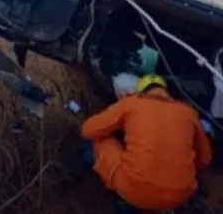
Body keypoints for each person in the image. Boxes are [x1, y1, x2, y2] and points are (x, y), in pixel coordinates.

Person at [81, 74, 213, 213]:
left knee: (100, 140)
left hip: (134, 191)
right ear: (165, 91)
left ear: (140, 90)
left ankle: (115, 193)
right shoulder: (188, 113)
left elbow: (88, 130)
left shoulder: (132, 103)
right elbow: (205, 159)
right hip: (178, 196)